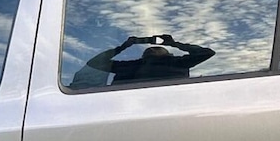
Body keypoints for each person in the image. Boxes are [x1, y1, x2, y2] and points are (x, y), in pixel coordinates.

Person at [81, 34, 215, 85]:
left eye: (157, 48)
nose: (151, 49)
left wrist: (174, 43)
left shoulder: (178, 63)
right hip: (123, 105)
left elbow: (207, 53)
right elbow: (94, 63)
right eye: (148, 49)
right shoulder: (129, 66)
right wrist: (123, 47)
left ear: (168, 53)